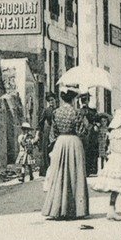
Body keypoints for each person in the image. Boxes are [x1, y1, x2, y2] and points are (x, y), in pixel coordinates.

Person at [41, 87, 89, 220]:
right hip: (74, 142)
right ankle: (75, 210)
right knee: (75, 174)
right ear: (73, 99)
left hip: (60, 142)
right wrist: (86, 124)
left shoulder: (56, 112)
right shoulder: (76, 112)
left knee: (60, 174)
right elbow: (82, 132)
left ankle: (57, 208)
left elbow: (53, 133)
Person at [91, 108, 121, 220]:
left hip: (114, 159)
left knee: (116, 185)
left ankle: (112, 208)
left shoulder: (112, 133)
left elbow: (109, 148)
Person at [77, 91, 100, 175]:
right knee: (84, 150)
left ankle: (92, 169)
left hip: (91, 133)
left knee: (92, 150)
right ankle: (84, 170)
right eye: (83, 100)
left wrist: (95, 125)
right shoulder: (79, 112)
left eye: (86, 100)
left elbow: (97, 120)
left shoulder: (92, 111)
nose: (85, 101)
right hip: (83, 133)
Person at [36, 93, 57, 177]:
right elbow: (40, 123)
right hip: (48, 131)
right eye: (49, 101)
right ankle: (46, 170)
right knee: (47, 149)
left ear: (55, 100)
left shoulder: (58, 110)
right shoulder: (46, 110)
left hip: (56, 131)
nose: (51, 102)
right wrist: (37, 135)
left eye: (52, 100)